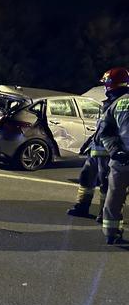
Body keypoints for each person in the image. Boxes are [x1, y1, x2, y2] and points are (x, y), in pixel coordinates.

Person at [97, 67, 129, 244]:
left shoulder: (116, 104)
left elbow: (106, 132)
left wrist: (116, 151)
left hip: (121, 161)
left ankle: (111, 233)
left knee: (115, 196)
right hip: (120, 158)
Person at [67, 99, 112, 222]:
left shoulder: (119, 105)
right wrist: (88, 143)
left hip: (108, 153)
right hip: (95, 151)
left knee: (106, 184)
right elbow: (99, 130)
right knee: (86, 177)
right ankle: (82, 206)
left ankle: (104, 213)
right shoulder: (109, 104)